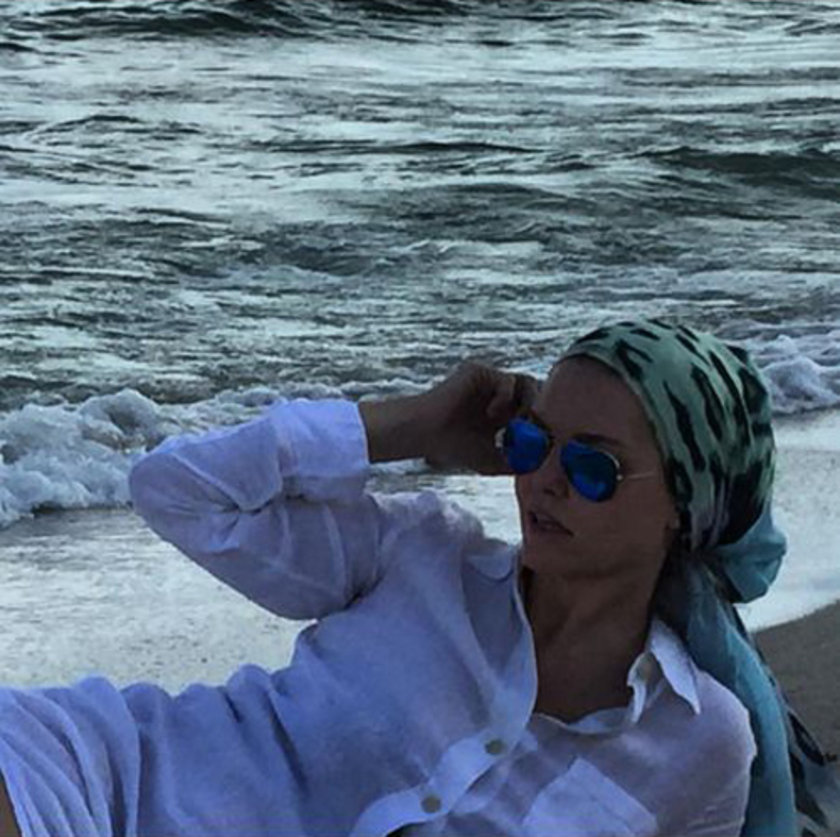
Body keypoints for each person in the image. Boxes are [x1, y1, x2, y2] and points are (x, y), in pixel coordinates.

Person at [0, 318, 838, 836]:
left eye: (594, 468)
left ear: (685, 510)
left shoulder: (702, 740)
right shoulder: (424, 553)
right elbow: (178, 491)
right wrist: (410, 428)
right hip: (92, 780)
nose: (545, 480)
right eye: (533, 443)